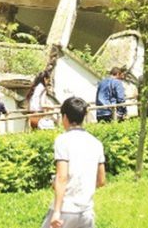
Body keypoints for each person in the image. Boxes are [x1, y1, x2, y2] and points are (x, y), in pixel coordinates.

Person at [40, 96, 105, 228]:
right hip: (86, 212)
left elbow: (62, 177)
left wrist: (57, 212)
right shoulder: (96, 143)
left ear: (65, 117)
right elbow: (101, 181)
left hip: (66, 209)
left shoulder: (63, 140)